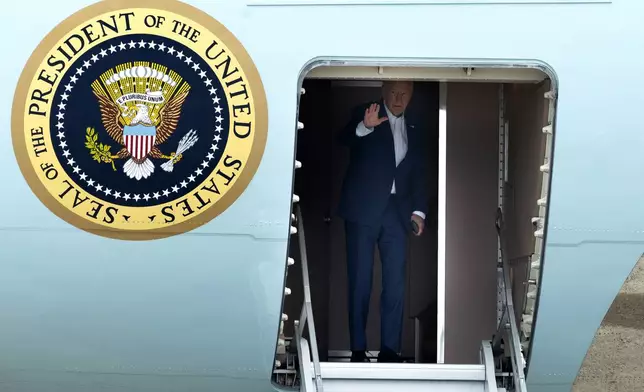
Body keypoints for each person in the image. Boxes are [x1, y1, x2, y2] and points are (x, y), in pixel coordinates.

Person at [337, 80, 429, 363]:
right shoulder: (367, 112)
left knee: (395, 283)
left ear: (411, 96)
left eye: (404, 93)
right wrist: (365, 127)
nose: (399, 98)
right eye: (393, 93)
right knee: (360, 280)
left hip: (396, 212)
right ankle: (357, 350)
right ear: (383, 93)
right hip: (363, 209)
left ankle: (390, 350)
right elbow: (343, 139)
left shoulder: (416, 126)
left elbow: (421, 172)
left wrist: (419, 211)